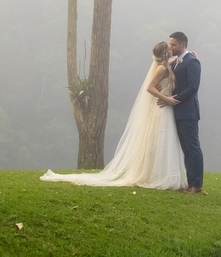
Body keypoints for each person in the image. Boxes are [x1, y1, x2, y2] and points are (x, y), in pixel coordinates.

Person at [40, 42, 187, 190]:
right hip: (162, 107)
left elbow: (170, 61)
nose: (172, 49)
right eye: (170, 48)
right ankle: (159, 175)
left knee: (165, 138)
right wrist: (166, 98)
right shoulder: (161, 68)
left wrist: (187, 55)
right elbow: (150, 87)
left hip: (166, 108)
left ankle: (163, 173)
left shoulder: (164, 65)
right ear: (165, 53)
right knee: (161, 137)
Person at [156, 31, 204, 193]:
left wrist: (173, 99)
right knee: (185, 148)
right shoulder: (177, 61)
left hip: (188, 112)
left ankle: (196, 184)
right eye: (170, 44)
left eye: (174, 44)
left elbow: (193, 87)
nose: (171, 47)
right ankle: (189, 181)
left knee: (192, 147)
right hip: (177, 112)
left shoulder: (192, 62)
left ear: (183, 44)